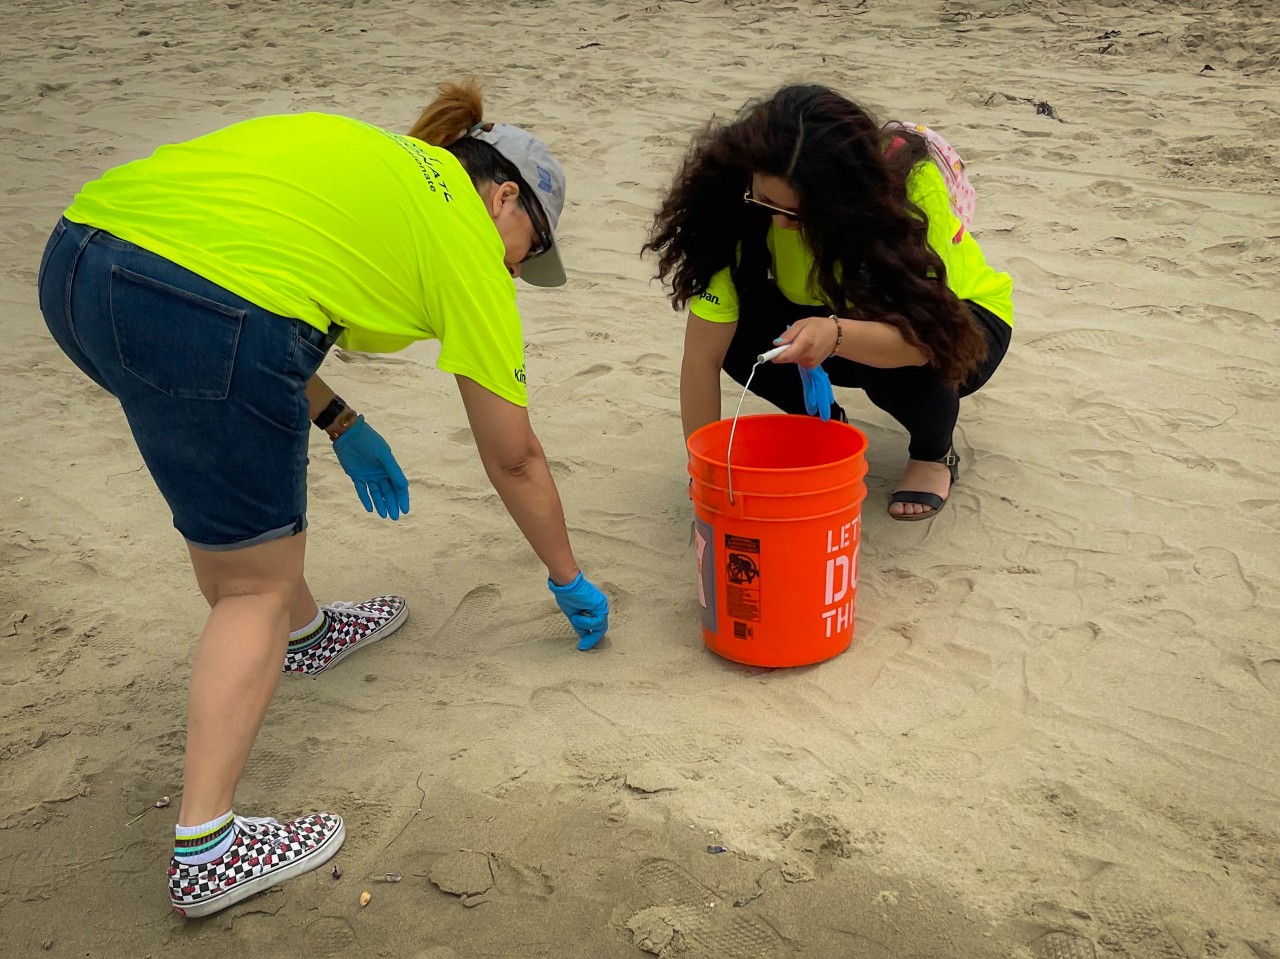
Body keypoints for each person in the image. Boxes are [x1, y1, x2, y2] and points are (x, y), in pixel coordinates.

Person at [35, 78, 610, 917]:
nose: (521, 268)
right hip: (196, 306)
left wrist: (339, 419)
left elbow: (253, 272)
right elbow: (514, 456)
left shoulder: (379, 161)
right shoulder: (466, 236)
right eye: (532, 245)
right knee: (249, 583)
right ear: (505, 196)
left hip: (79, 265)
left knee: (237, 504)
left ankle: (303, 633)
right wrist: (567, 575)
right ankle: (208, 847)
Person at [645, 84, 1014, 520]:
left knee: (891, 362)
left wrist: (837, 334)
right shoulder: (733, 209)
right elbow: (702, 357)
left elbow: (931, 336)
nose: (779, 223)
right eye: (765, 202)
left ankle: (933, 454)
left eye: (798, 213)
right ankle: (826, 431)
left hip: (956, 323)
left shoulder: (908, 189)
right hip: (831, 311)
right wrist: (703, 471)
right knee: (741, 340)